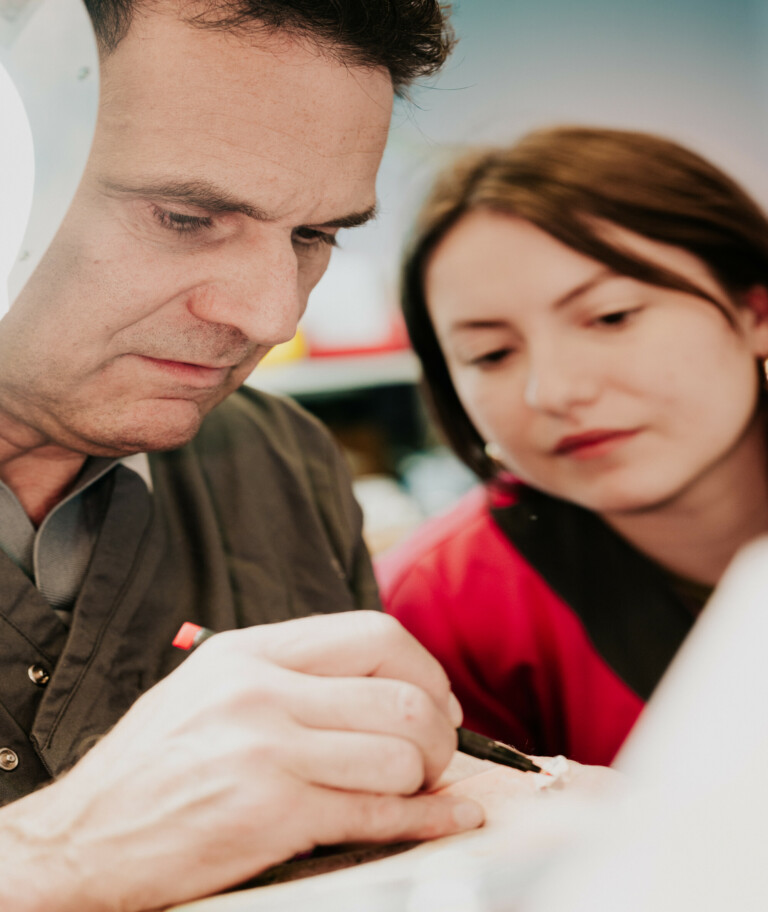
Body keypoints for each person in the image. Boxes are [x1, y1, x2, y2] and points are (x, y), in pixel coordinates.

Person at [0, 3, 497, 909]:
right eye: (188, 217)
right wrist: (52, 856)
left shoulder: (280, 463)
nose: (272, 316)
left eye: (314, 237)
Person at [377, 126, 768, 767]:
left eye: (611, 317)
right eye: (491, 354)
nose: (553, 391)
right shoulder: (437, 609)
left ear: (755, 312)